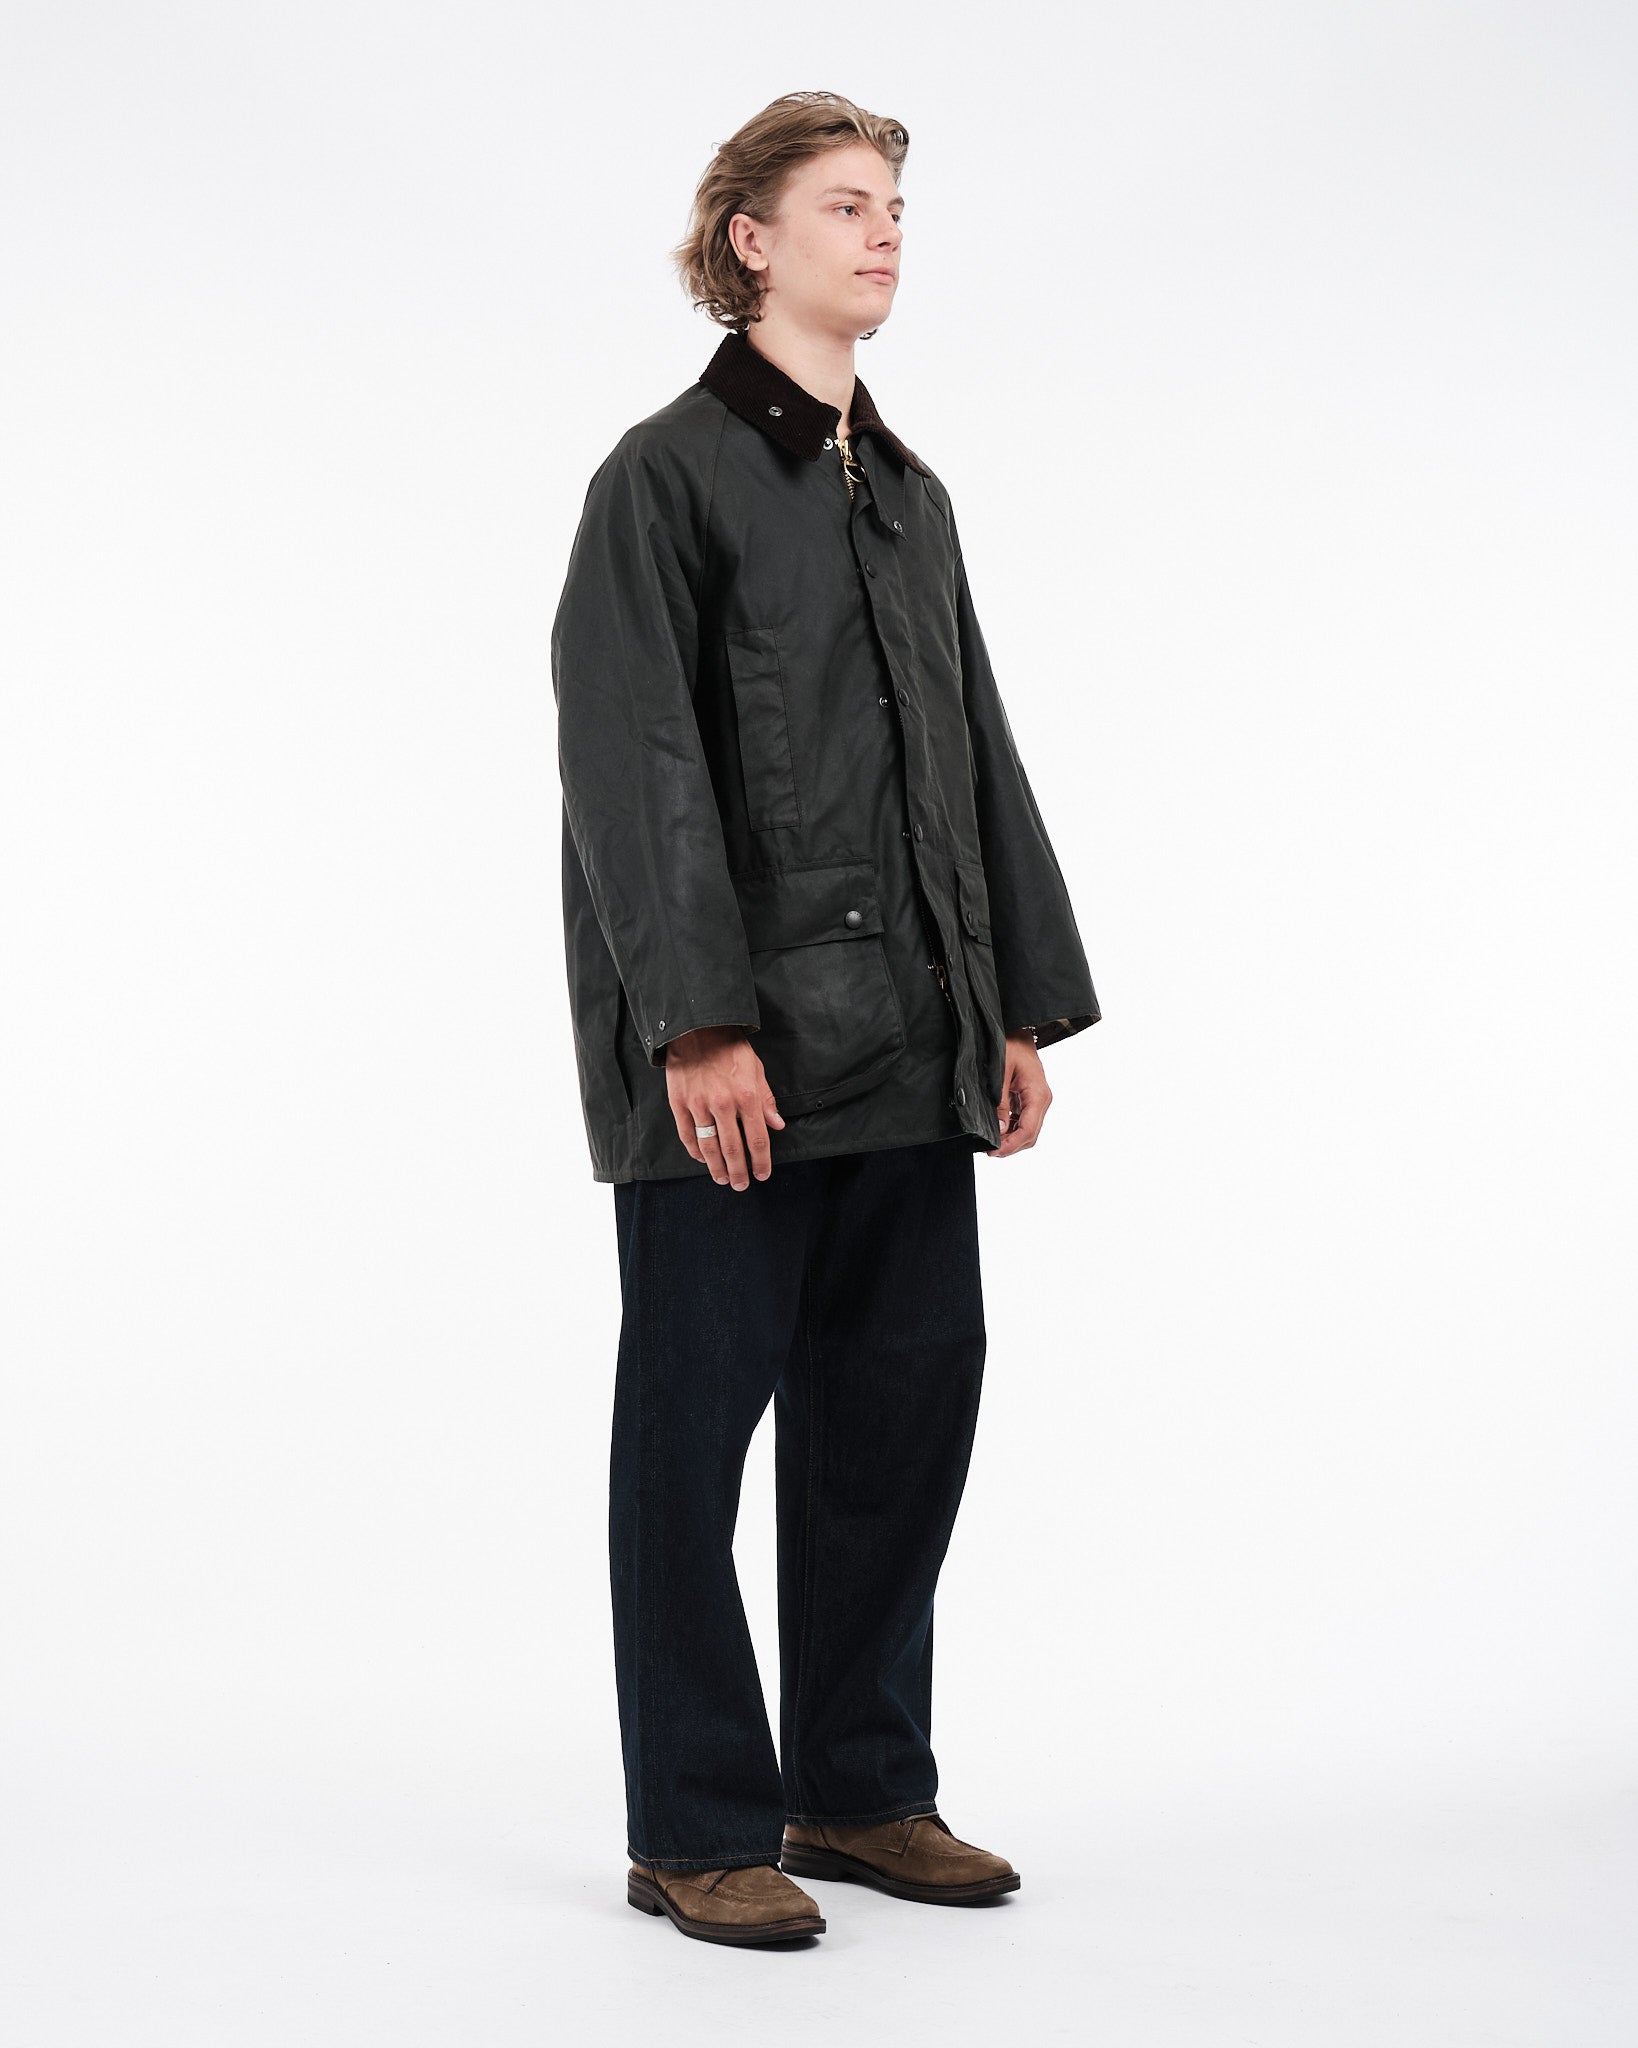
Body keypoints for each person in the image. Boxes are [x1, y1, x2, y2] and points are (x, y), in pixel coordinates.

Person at [550, 90, 1100, 1948]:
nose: (883, 236)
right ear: (750, 241)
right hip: (742, 1070)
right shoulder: (663, 478)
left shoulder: (910, 499)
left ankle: (857, 1789)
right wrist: (695, 1027)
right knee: (689, 1442)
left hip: (910, 1048)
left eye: (893, 210)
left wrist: (1011, 1006)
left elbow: (973, 753)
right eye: (846, 206)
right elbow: (630, 763)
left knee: (897, 1419)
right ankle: (695, 1824)